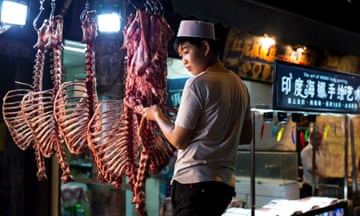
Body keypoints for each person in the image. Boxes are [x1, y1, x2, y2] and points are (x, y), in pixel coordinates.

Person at [142, 19, 253, 216]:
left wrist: (157, 116)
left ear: (205, 47)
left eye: (186, 51)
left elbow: (179, 140)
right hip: (223, 187)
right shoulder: (240, 86)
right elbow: (245, 137)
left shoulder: (197, 83)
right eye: (181, 54)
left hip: (195, 184)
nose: (184, 60)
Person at [300, 128, 327, 198]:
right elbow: (311, 169)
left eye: (320, 139)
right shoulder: (306, 151)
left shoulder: (319, 151)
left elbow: (319, 167)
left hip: (318, 186)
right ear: (311, 139)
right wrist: (325, 177)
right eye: (317, 139)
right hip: (309, 187)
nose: (319, 142)